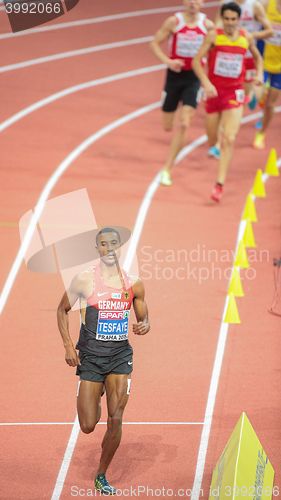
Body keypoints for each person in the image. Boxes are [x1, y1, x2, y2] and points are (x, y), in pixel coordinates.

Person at [57, 226, 150, 495]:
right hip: (91, 357)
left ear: (119, 247)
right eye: (103, 244)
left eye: (113, 243)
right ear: (97, 249)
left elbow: (144, 316)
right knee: (87, 425)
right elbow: (62, 310)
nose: (109, 249)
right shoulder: (84, 281)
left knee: (116, 418)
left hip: (120, 357)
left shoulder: (133, 283)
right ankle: (93, 392)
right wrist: (67, 346)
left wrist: (145, 324)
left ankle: (101, 474)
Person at [192, 2, 263, 202]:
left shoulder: (245, 37)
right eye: (227, 19)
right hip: (214, 93)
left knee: (229, 139)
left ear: (238, 20)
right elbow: (197, 61)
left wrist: (258, 75)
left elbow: (258, 58)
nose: (230, 23)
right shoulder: (214, 36)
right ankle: (214, 144)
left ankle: (219, 184)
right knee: (213, 140)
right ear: (222, 19)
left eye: (234, 19)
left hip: (235, 92)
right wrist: (206, 83)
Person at [150, 0, 214, 186]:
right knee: (167, 125)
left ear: (202, 3)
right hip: (174, 76)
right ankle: (173, 112)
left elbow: (216, 51)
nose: (193, 3)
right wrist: (168, 61)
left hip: (194, 77)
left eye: (197, 0)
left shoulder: (208, 26)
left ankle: (167, 169)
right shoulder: (174, 22)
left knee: (185, 123)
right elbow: (154, 43)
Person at [253, 0, 281, 149]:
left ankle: (261, 133)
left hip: (280, 68)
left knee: (271, 104)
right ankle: (260, 97)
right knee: (257, 94)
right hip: (262, 61)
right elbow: (253, 22)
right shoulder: (265, 5)